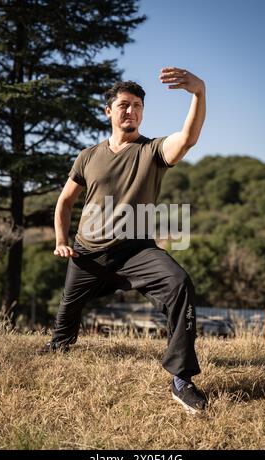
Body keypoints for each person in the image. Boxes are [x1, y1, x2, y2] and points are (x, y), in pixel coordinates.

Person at [39, 67, 207, 414]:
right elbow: (65, 201)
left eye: (137, 106)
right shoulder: (88, 156)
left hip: (136, 249)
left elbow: (187, 139)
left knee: (179, 284)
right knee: (66, 319)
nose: (131, 111)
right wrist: (61, 239)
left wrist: (198, 94)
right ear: (109, 111)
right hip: (88, 252)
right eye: (124, 105)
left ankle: (181, 377)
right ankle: (59, 346)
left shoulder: (152, 151)